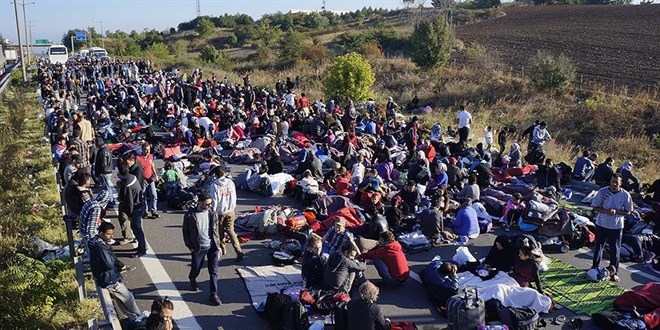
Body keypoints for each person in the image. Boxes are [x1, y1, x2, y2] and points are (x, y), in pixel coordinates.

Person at [88, 222, 144, 321]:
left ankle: (134, 318)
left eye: (112, 234)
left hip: (104, 278)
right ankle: (140, 317)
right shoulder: (101, 248)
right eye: (108, 234)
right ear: (101, 233)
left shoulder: (96, 243)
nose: (111, 236)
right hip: (110, 279)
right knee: (129, 298)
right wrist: (113, 258)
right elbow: (109, 264)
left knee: (122, 301)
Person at [590, 174, 633, 282]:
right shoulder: (602, 192)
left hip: (616, 226)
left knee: (615, 250)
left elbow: (628, 211)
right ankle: (594, 267)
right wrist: (606, 211)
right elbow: (595, 207)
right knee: (599, 247)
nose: (614, 184)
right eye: (612, 182)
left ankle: (614, 272)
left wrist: (616, 212)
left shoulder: (625, 195)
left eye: (616, 182)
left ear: (620, 183)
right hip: (601, 224)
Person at [182, 193, 223, 305]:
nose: (209, 206)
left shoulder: (212, 213)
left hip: (212, 247)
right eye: (207, 204)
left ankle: (214, 294)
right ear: (200, 202)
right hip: (198, 248)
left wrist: (219, 245)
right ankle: (192, 278)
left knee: (214, 272)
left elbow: (216, 230)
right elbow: (185, 232)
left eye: (210, 204)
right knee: (196, 268)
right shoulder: (190, 215)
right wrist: (190, 247)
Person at [209, 166, 244, 261]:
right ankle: (238, 250)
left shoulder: (215, 185)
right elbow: (234, 196)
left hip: (220, 212)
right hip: (230, 210)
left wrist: (212, 212)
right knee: (231, 231)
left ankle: (222, 249)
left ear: (215, 175)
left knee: (219, 232)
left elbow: (214, 200)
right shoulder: (230, 182)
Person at [117, 162, 146, 258]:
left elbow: (129, 202)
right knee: (137, 228)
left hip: (136, 208)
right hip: (140, 204)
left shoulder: (127, 185)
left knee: (137, 229)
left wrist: (130, 215)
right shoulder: (132, 177)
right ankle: (141, 247)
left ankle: (142, 249)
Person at [137, 142, 160, 219]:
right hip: (143, 180)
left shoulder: (151, 156)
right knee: (143, 197)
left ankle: (154, 211)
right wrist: (141, 179)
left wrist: (155, 175)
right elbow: (138, 170)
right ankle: (145, 211)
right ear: (142, 150)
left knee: (154, 195)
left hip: (151, 179)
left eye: (149, 150)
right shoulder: (138, 158)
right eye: (146, 150)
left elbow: (152, 165)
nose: (147, 151)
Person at [94, 137, 116, 208]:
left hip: (105, 172)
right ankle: (111, 200)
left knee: (107, 188)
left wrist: (100, 172)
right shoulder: (106, 149)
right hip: (108, 171)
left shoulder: (102, 151)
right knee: (108, 186)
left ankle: (110, 201)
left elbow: (103, 164)